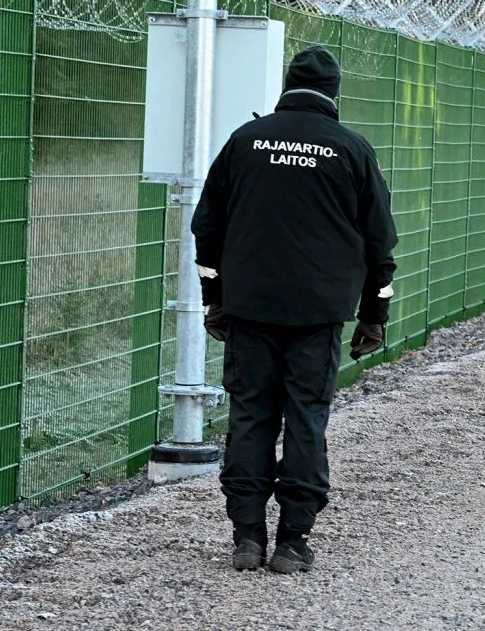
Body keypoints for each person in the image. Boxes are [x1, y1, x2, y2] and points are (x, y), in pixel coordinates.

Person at [191, 44, 397, 573]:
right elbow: (380, 241)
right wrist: (375, 313)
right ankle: (293, 540)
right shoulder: (351, 149)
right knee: (306, 418)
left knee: (251, 414)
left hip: (250, 307)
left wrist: (214, 299)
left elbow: (207, 227)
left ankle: (247, 538)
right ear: (335, 94)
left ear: (286, 85)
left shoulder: (245, 142)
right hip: (318, 313)